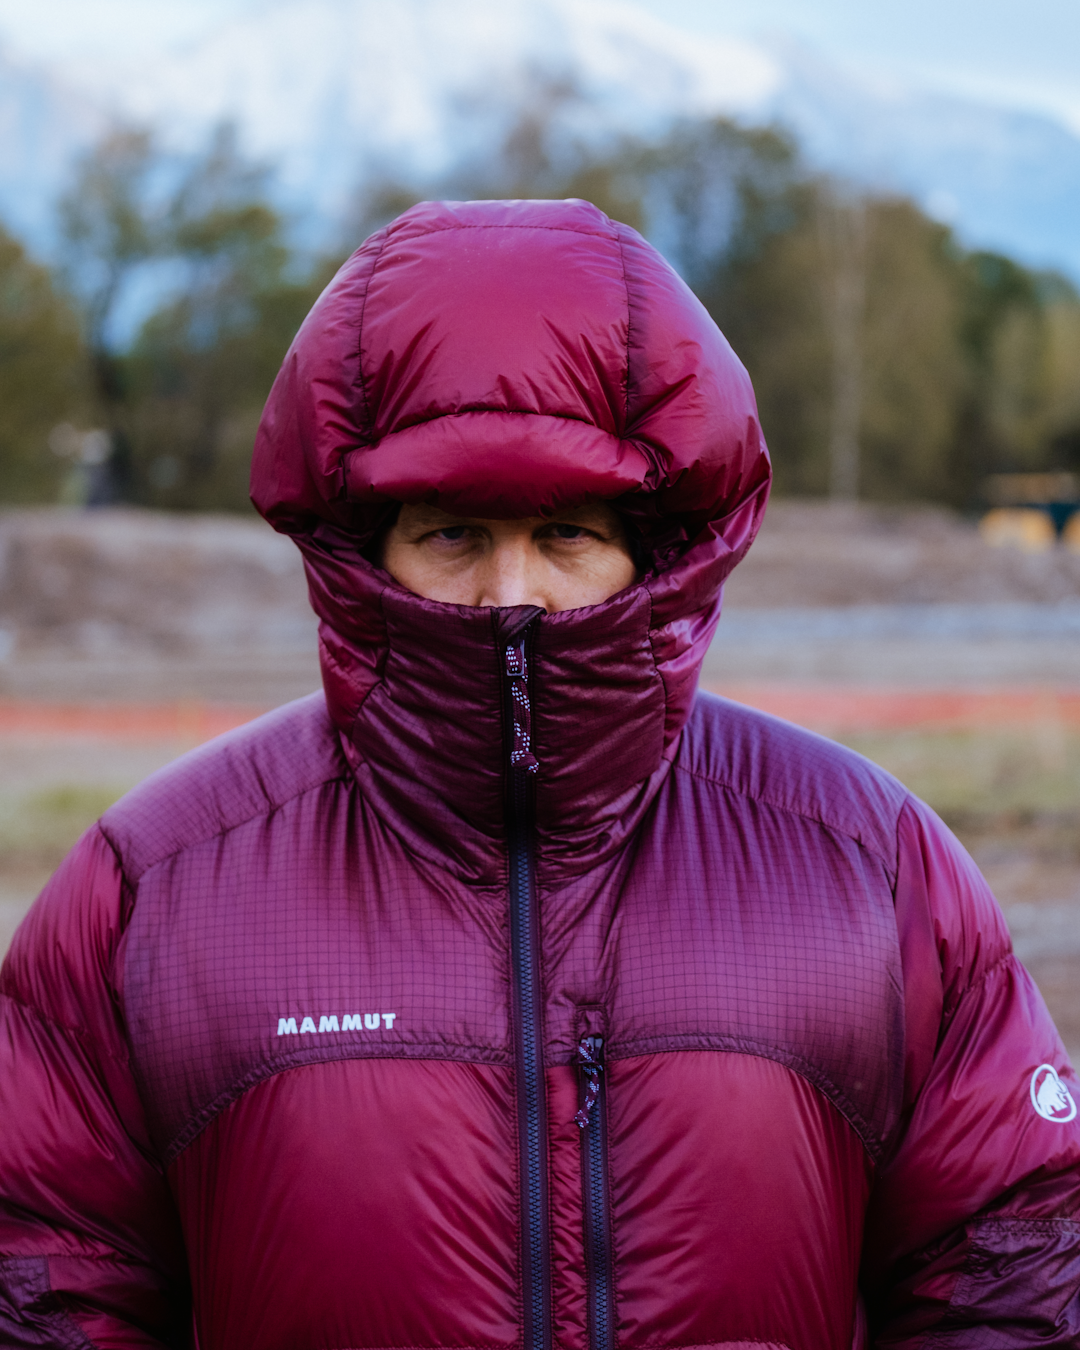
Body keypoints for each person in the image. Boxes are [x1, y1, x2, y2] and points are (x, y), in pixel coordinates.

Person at [1, 197, 1078, 1349]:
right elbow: (45, 1286)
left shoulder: (872, 868)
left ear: (657, 550)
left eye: (567, 530)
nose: (510, 591)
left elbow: (1013, 1272)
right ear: (362, 551)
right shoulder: (156, 889)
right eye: (453, 532)